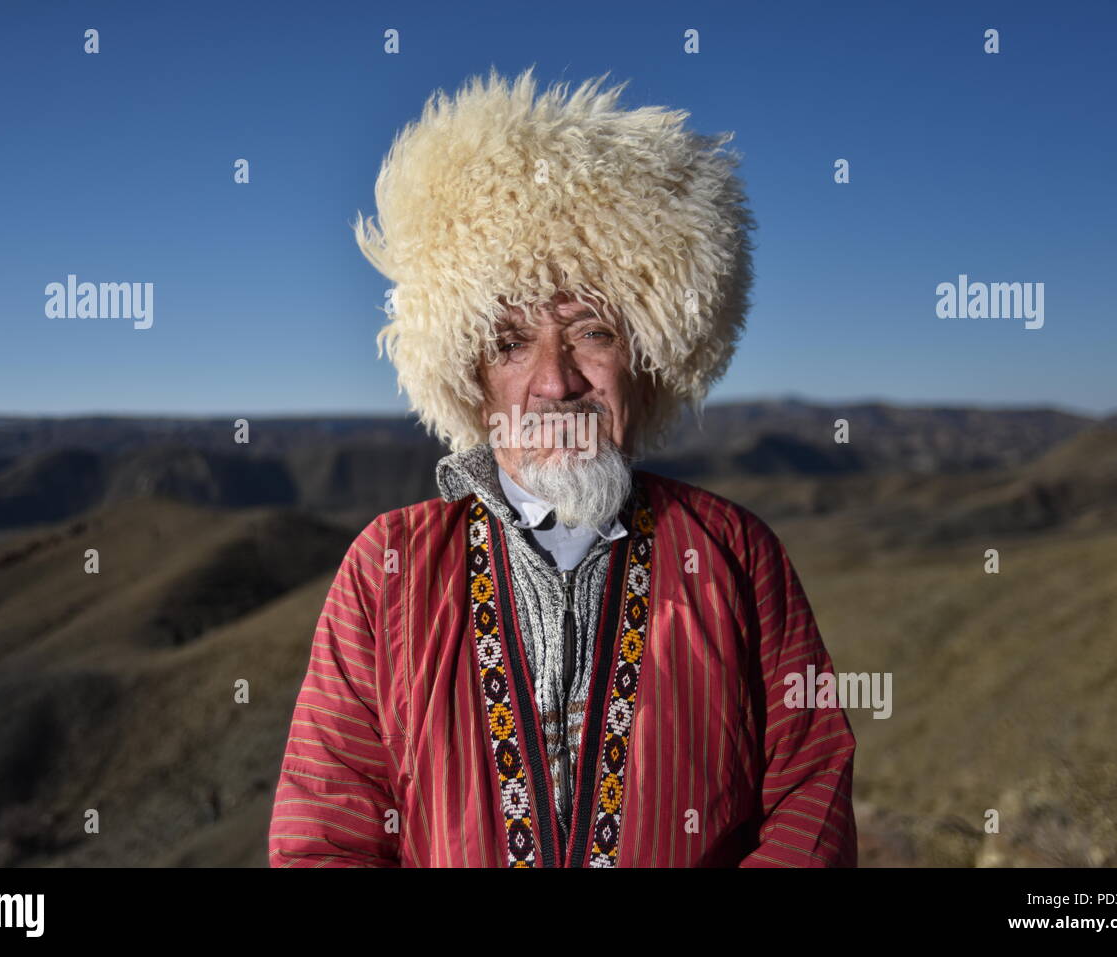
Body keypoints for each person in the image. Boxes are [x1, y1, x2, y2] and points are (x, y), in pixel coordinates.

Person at [269, 65, 857, 867]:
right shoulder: (387, 569)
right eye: (511, 343)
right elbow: (325, 833)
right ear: (472, 378)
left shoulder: (738, 556)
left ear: (644, 357)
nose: (556, 381)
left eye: (592, 332)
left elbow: (809, 796)